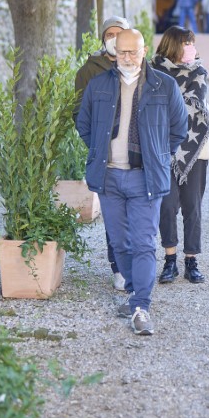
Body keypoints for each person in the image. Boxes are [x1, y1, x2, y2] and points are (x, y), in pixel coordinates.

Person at [76, 29, 188, 336]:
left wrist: (157, 155)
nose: (127, 57)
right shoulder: (99, 85)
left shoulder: (163, 85)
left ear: (144, 51)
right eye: (122, 52)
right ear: (115, 51)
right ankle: (135, 290)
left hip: (145, 177)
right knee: (119, 242)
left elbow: (179, 128)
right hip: (109, 176)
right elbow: (84, 124)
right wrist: (100, 151)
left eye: (133, 52)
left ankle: (141, 305)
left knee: (143, 242)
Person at [73, 15, 132, 290]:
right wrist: (96, 143)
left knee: (138, 214)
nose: (114, 38)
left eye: (119, 33)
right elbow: (79, 113)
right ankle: (118, 267)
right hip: (107, 157)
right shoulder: (89, 71)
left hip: (136, 155)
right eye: (109, 34)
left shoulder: (140, 66)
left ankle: (138, 264)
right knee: (114, 214)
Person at [150, 26, 209, 285]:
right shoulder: (153, 72)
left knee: (192, 207)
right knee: (167, 206)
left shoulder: (199, 72)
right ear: (172, 45)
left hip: (195, 149)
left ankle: (191, 260)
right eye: (186, 43)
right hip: (163, 148)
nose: (191, 48)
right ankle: (170, 259)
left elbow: (195, 105)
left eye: (192, 43)